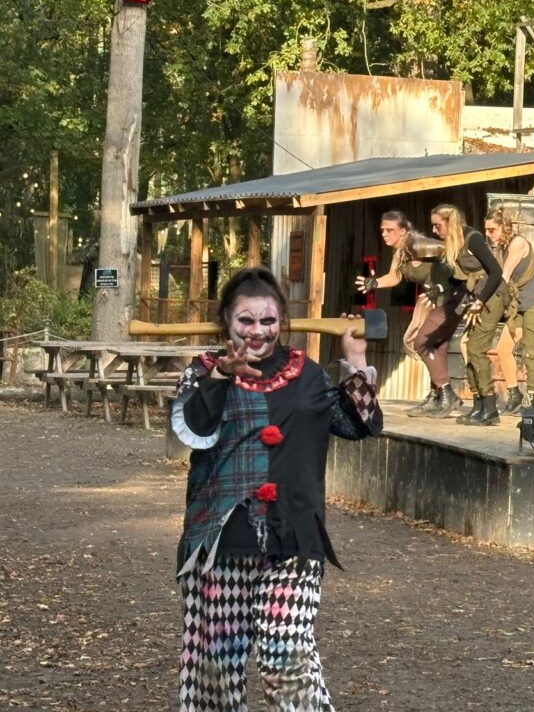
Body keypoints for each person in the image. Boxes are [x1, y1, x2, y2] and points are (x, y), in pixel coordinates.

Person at [171, 266, 383, 711]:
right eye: (246, 321)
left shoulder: (305, 373)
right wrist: (219, 379)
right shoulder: (203, 372)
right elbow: (192, 431)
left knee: (285, 655)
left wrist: (358, 363)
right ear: (226, 320)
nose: (257, 332)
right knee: (219, 667)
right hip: (222, 542)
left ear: (282, 321)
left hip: (294, 538)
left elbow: (358, 425)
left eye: (268, 321)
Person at [413, 204, 506, 424]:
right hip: (473, 295)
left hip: (491, 295)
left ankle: (489, 408)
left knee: (475, 348)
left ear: (450, 222)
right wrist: (440, 289)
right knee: (468, 347)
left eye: (438, 225)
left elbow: (496, 272)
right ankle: (480, 406)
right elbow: (460, 279)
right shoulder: (454, 243)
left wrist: (480, 301)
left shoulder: (472, 238)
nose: (435, 231)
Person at [354, 210, 450, 417]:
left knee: (423, 341)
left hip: (447, 297)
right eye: (383, 230)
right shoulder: (401, 252)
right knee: (428, 344)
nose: (385, 234)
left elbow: (452, 254)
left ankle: (445, 393)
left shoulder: (417, 244)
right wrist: (375, 282)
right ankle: (438, 394)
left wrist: (442, 285)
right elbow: (395, 277)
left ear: (404, 231)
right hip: (430, 299)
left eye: (390, 230)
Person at [483, 207, 534, 413]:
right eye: (486, 230)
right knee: (502, 349)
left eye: (492, 229)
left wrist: (484, 301)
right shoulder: (498, 247)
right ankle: (514, 393)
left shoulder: (517, 243)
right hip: (516, 308)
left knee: (532, 352)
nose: (488, 234)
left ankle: (532, 398)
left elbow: (504, 275)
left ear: (504, 227)